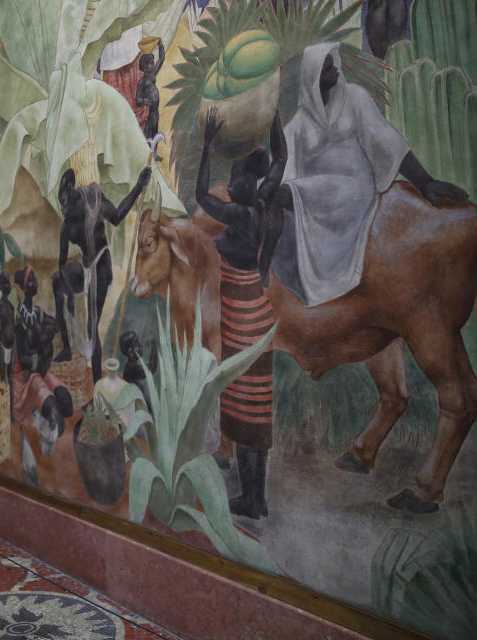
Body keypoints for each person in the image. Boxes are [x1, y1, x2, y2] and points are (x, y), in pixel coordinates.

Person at [258, 41, 468, 303]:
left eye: (333, 62)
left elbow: (387, 142)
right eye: (326, 67)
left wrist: (425, 182)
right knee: (270, 192)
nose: (335, 68)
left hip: (353, 186)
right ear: (312, 77)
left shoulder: (355, 97)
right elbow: (282, 162)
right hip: (316, 192)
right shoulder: (302, 120)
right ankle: (265, 268)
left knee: (278, 192)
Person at [196, 105, 286, 519]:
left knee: (244, 403)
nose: (229, 186)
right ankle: (255, 496)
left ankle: (254, 498)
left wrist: (207, 147)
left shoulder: (240, 213)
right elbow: (281, 158)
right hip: (255, 310)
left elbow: (199, 197)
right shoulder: (263, 200)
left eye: (235, 181)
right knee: (253, 405)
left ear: (248, 185)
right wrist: (272, 116)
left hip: (241, 313)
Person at [52, 166, 151, 382]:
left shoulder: (93, 199)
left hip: (101, 265)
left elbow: (116, 217)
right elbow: (61, 264)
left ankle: (97, 385)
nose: (63, 207)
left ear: (72, 188)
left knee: (92, 326)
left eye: (65, 201)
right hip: (86, 267)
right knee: (56, 281)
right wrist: (69, 295)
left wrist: (138, 186)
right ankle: (68, 347)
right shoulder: (67, 226)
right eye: (61, 203)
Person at [12, 265, 73, 454]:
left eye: (35, 280)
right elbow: (24, 355)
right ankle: (43, 416)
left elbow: (54, 325)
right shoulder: (19, 316)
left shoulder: (37, 312)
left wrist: (43, 337)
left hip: (41, 368)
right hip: (25, 375)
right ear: (24, 287)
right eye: (31, 280)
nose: (35, 283)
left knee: (67, 402)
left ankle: (46, 412)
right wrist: (41, 341)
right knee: (53, 409)